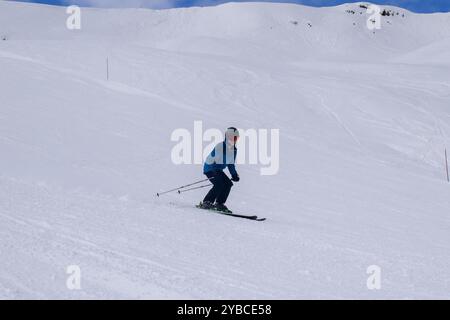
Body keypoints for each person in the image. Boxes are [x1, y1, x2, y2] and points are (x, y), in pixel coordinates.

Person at [200, 127, 240, 213]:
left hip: (218, 170)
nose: (235, 140)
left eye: (236, 138)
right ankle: (207, 202)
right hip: (210, 168)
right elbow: (216, 159)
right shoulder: (220, 146)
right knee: (219, 184)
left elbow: (230, 163)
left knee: (228, 184)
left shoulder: (234, 150)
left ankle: (219, 203)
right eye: (233, 137)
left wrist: (234, 175)